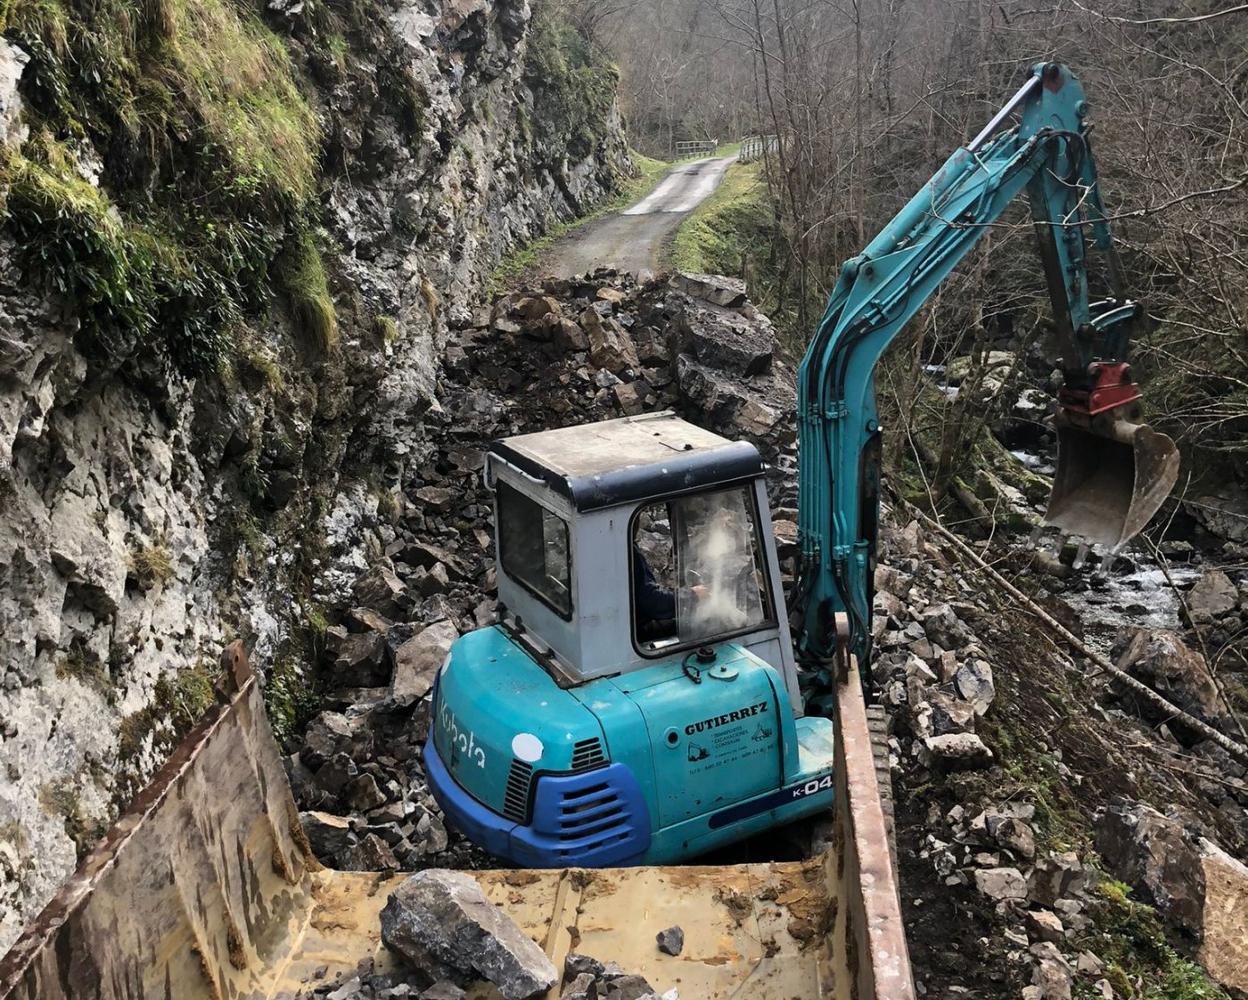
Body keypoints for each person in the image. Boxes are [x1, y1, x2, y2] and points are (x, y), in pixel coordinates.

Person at [632, 545, 708, 636]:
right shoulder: (630, 551)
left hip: (633, 623)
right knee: (697, 626)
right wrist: (692, 594)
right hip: (638, 630)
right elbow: (651, 601)